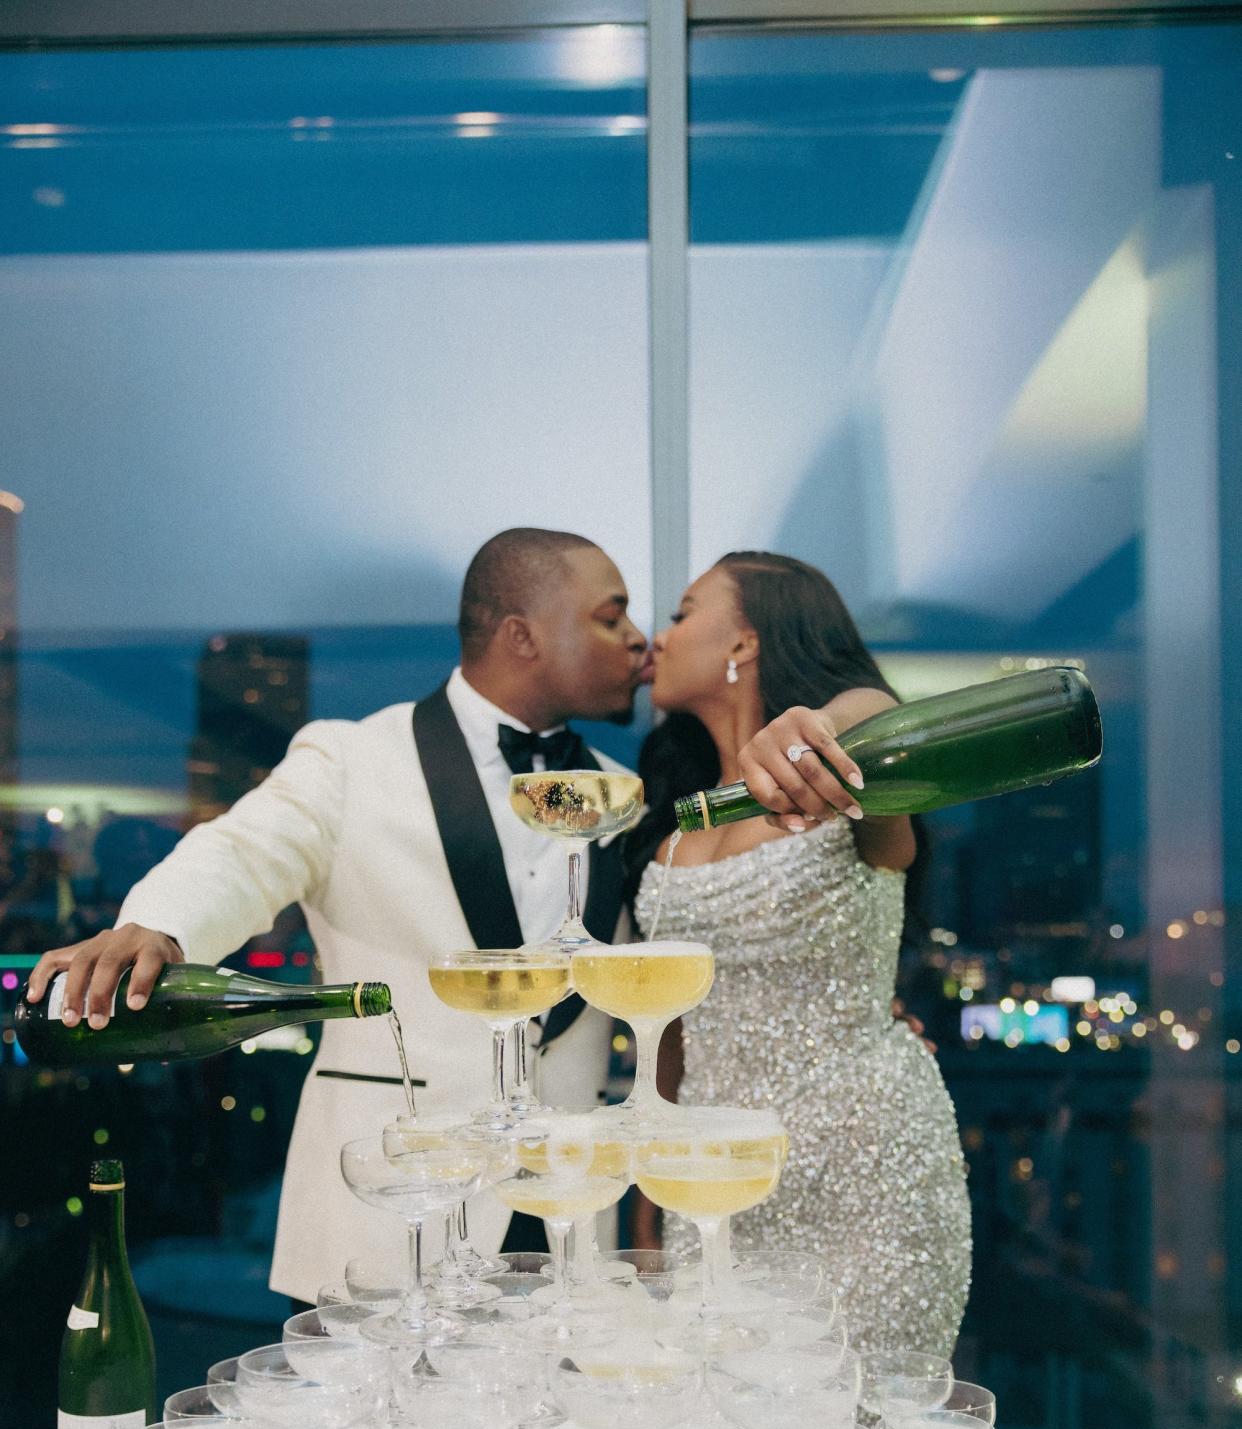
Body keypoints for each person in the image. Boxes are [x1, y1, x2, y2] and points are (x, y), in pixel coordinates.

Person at [26, 529, 650, 1302]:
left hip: (565, 1224)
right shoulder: (352, 759)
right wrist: (158, 924)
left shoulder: (622, 791)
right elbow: (244, 852)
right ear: (522, 635)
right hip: (386, 1215)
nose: (636, 641)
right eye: (611, 617)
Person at [625, 550, 971, 1359]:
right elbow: (669, 1023)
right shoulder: (675, 816)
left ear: (744, 638)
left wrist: (828, 727)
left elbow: (870, 708)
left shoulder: (845, 783)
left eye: (682, 612)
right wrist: (650, 1187)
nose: (660, 639)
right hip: (709, 1175)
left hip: (864, 1172)